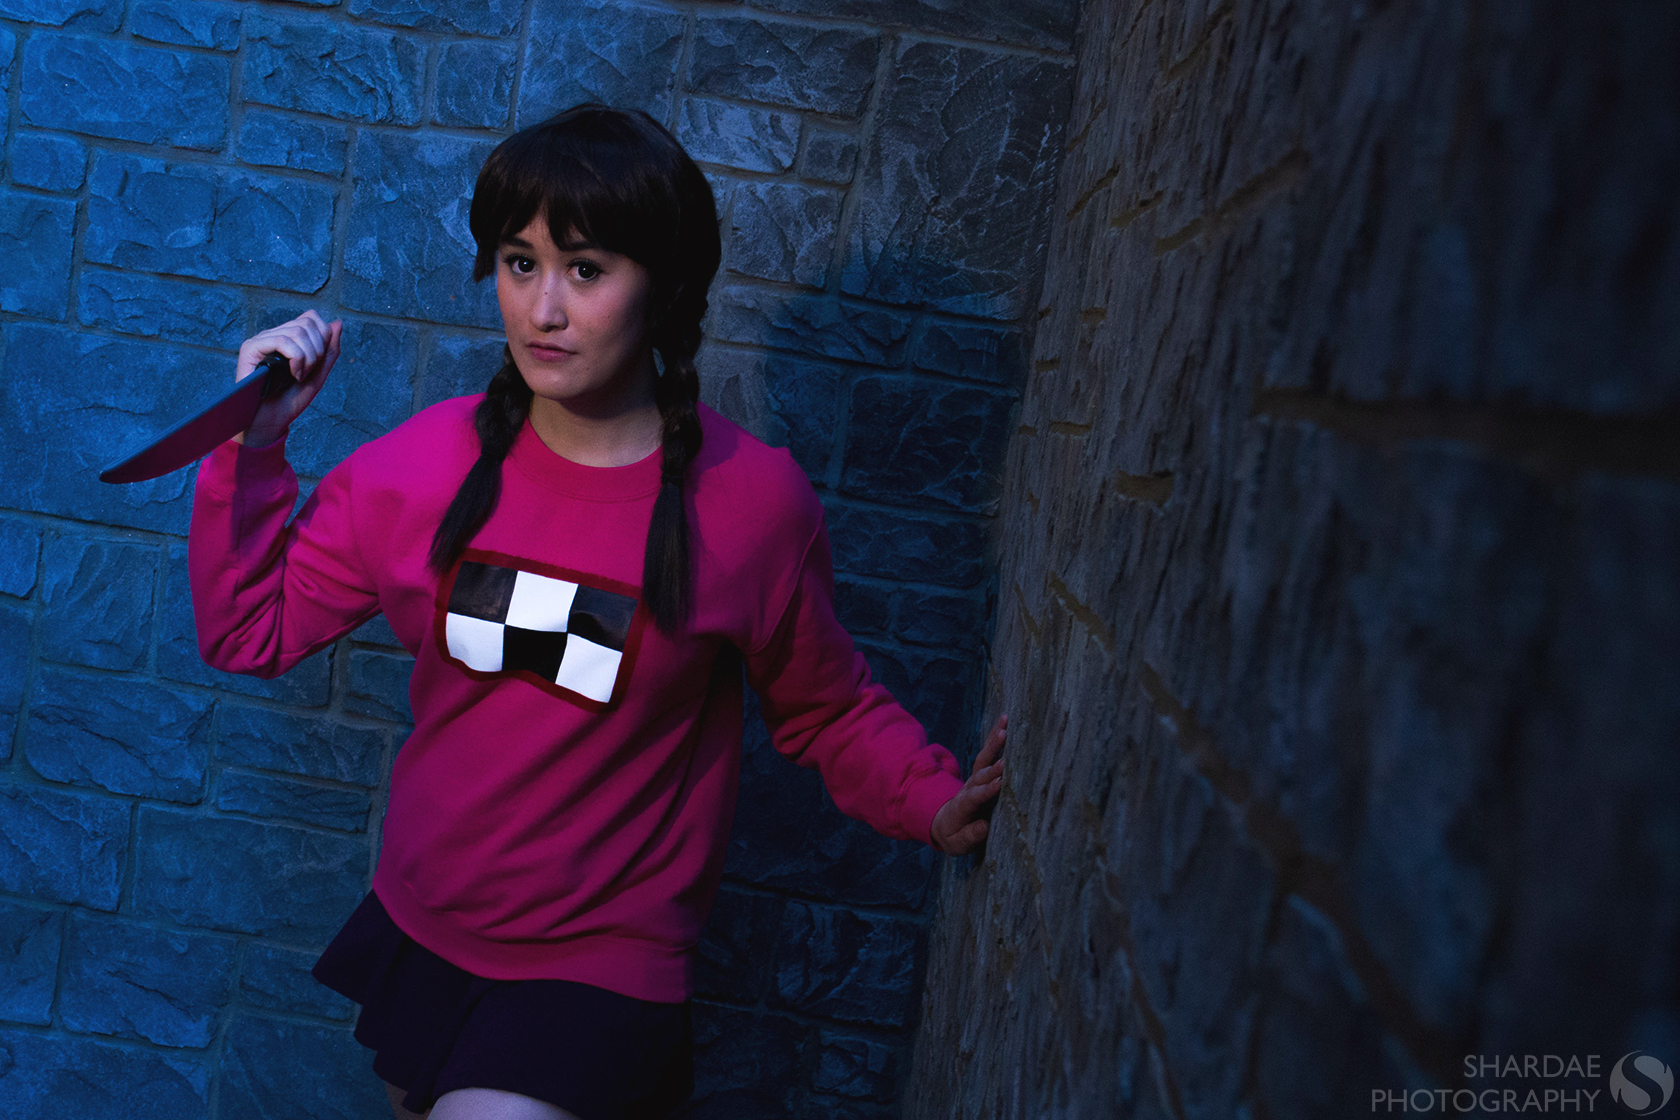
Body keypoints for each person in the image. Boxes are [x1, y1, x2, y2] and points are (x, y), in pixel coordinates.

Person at [189, 104, 1006, 1120]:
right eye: (519, 262)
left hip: (602, 964)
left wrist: (931, 799)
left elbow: (826, 707)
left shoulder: (751, 506)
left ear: (662, 285)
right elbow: (249, 629)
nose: (543, 308)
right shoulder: (422, 467)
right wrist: (254, 442)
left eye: (585, 269)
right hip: (429, 922)